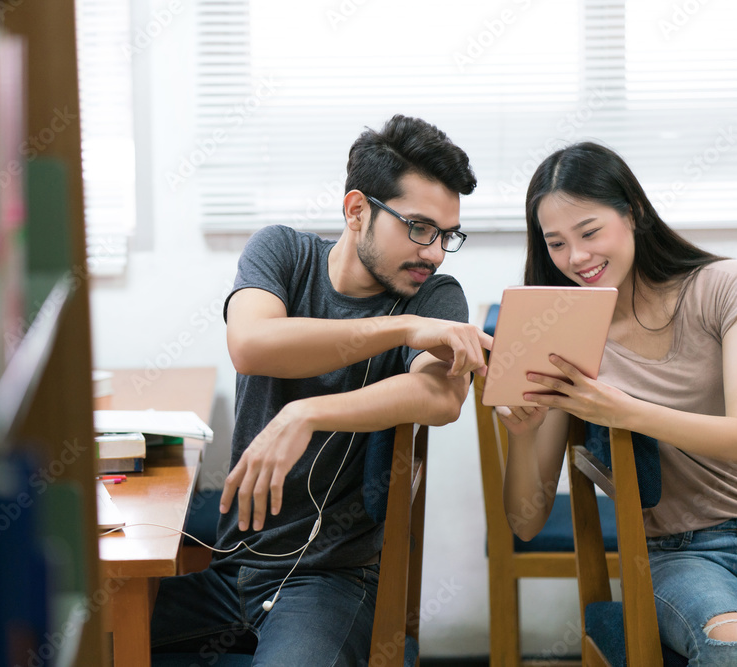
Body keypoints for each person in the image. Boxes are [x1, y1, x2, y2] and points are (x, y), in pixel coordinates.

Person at [149, 114, 492, 665]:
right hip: (235, 564)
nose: (433, 251)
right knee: (80, 633)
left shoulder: (436, 295)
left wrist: (307, 412)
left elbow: (441, 397)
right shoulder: (281, 253)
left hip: (331, 581)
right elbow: (253, 343)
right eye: (420, 227)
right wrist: (402, 329)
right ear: (357, 210)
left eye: (446, 236)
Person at [499, 141, 737, 664]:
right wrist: (523, 435)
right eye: (555, 243)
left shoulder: (726, 286)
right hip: (683, 554)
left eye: (590, 232)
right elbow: (527, 523)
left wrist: (622, 412)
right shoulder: (564, 332)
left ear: (635, 213)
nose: (576, 258)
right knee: (732, 644)